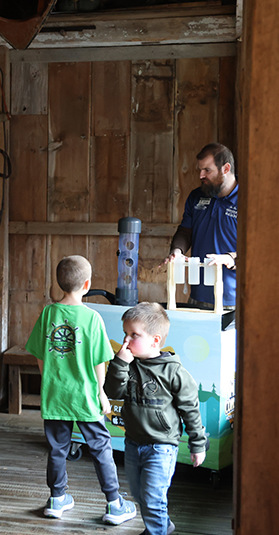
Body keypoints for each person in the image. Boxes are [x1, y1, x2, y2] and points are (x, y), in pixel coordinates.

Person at [25, 255, 137, 525]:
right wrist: (101, 392)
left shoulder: (48, 313)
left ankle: (56, 499)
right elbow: (100, 360)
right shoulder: (92, 317)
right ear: (87, 284)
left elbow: (40, 354)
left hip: (55, 395)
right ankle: (114, 504)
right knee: (101, 448)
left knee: (57, 449)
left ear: (59, 283)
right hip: (85, 396)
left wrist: (48, 379)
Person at [104, 302, 207, 535]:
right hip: (132, 443)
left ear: (155, 340)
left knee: (152, 498)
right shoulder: (128, 364)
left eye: (134, 335)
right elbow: (113, 392)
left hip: (161, 447)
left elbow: (191, 410)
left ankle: (156, 531)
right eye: (125, 334)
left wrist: (197, 444)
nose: (126, 341)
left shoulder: (174, 372)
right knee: (141, 495)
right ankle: (163, 526)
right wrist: (119, 363)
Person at [163, 142, 238, 310]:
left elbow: (261, 249)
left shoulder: (248, 199)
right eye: (200, 170)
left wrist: (230, 258)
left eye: (207, 170)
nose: (201, 175)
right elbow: (185, 231)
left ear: (226, 168)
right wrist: (177, 251)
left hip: (234, 302)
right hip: (197, 298)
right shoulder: (196, 196)